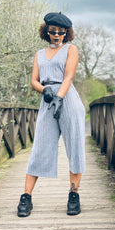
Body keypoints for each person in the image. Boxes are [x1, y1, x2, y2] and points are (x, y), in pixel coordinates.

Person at [17, 12, 86, 217]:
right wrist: (44, 90)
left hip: (68, 101)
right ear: (46, 31)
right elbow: (34, 80)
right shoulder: (39, 54)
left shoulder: (70, 49)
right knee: (39, 147)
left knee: (74, 146)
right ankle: (26, 196)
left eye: (61, 32)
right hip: (47, 101)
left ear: (67, 33)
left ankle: (73, 194)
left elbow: (68, 77)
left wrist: (59, 97)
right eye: (53, 31)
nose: (57, 35)